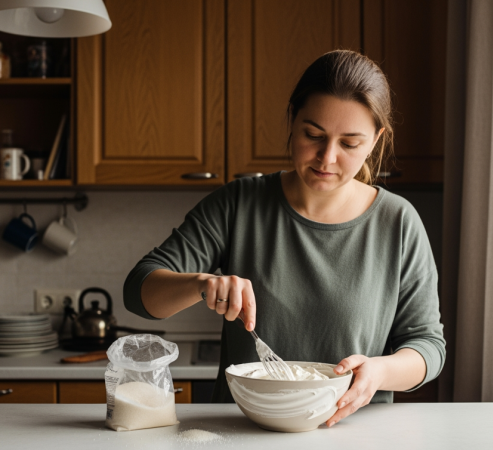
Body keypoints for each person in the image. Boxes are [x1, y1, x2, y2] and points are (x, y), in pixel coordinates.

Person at [123, 50, 445, 427]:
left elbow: (428, 346)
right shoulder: (238, 204)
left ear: (376, 140)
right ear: (292, 120)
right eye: (313, 135)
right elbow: (138, 292)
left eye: (350, 143)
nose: (327, 158)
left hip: (348, 434)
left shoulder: (399, 222)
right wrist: (202, 283)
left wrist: (380, 372)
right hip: (241, 433)